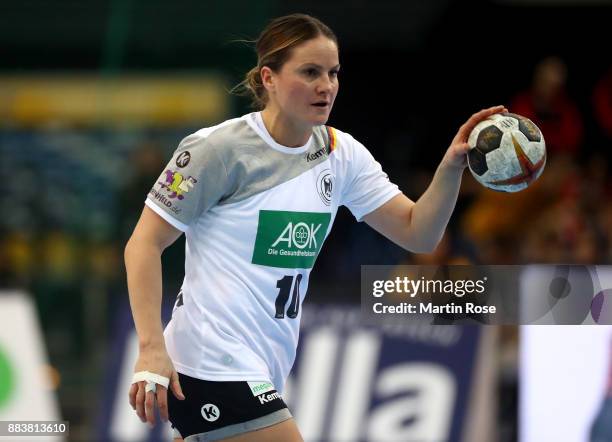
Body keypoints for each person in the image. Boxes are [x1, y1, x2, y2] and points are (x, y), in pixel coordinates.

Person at [124, 13, 507, 442]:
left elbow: (420, 233)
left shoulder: (341, 154)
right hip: (209, 361)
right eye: (310, 72)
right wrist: (150, 348)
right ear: (268, 77)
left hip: (266, 362)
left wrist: (451, 166)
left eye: (333, 73)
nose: (326, 85)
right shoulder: (217, 149)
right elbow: (143, 244)